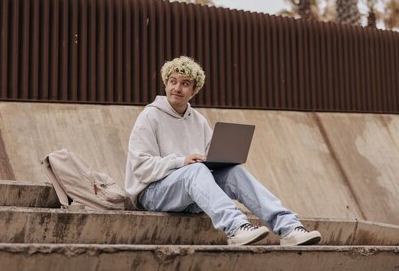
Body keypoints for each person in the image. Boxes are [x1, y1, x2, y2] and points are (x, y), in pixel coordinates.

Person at [124, 55, 321, 246]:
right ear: (166, 84)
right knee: (196, 171)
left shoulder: (198, 121)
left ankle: (289, 228)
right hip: (152, 194)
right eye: (173, 81)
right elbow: (140, 167)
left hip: (187, 195)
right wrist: (182, 161)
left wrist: (220, 160)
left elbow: (209, 158)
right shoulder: (150, 116)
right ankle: (236, 228)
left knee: (233, 172)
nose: (177, 88)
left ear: (193, 91)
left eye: (184, 83)